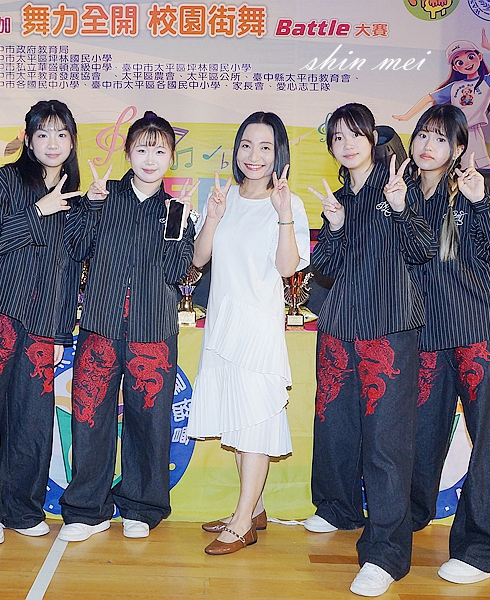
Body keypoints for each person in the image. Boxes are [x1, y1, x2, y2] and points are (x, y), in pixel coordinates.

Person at [306, 103, 437, 596]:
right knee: (334, 425)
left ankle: (385, 555)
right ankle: (337, 508)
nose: (347, 145)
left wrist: (401, 208)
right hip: (341, 325)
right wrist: (336, 225)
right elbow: (325, 265)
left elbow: (422, 249)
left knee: (387, 442)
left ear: (372, 139)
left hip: (388, 327)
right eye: (337, 138)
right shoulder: (339, 198)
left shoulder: (397, 185)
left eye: (355, 135)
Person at [58, 111, 197, 542]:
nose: (150, 159)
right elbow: (75, 247)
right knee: (90, 417)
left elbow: (178, 271)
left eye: (160, 151)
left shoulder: (176, 210)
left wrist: (177, 227)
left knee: (149, 421)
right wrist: (92, 206)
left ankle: (141, 505)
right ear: (127, 153)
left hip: (152, 331)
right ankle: (88, 509)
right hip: (100, 326)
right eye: (142, 149)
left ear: (171, 158)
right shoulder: (104, 195)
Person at [0, 100, 82, 546]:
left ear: (72, 142)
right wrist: (37, 212)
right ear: (28, 141)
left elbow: (69, 266)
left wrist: (61, 330)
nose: (53, 143)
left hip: (41, 320)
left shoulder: (75, 194)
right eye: (43, 134)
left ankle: (22, 509)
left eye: (61, 134)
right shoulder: (8, 179)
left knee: (32, 419)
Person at [186, 112, 310, 556]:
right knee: (237, 416)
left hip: (258, 326)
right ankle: (252, 509)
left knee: (255, 420)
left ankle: (242, 524)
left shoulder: (288, 203)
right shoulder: (223, 197)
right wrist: (213, 217)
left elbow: (288, 268)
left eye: (265, 147)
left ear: (279, 154)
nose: (254, 156)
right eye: (246, 145)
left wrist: (282, 214)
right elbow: (199, 259)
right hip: (223, 323)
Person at [405, 104, 490, 585]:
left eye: (440, 138)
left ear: (457, 149)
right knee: (417, 435)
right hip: (428, 337)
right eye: (422, 135)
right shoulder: (404, 194)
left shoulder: (468, 192)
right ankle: (407, 517)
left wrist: (481, 202)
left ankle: (486, 550)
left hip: (477, 331)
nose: (428, 145)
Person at [393, 29, 490, 169]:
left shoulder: (487, 81)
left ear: (479, 56)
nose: (466, 63)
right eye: (459, 62)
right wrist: (407, 116)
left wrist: (487, 46)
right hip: (454, 132)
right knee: (455, 168)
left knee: (480, 168)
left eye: (470, 57)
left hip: (473, 133)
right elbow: (428, 98)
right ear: (455, 67)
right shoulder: (454, 87)